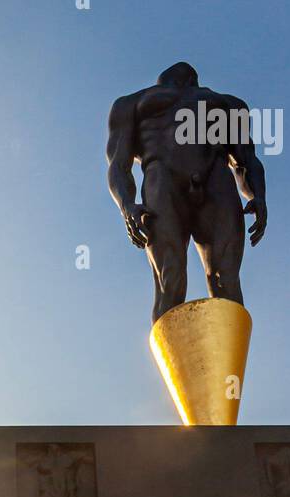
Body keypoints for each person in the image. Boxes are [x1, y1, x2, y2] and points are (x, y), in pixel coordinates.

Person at [106, 62, 267, 323]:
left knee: (225, 278)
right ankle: (175, 362)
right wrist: (127, 205)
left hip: (215, 178)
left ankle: (226, 363)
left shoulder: (228, 104)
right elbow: (118, 164)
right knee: (170, 279)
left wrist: (257, 195)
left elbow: (245, 159)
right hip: (163, 179)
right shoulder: (132, 103)